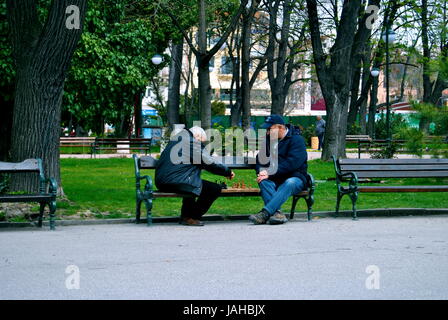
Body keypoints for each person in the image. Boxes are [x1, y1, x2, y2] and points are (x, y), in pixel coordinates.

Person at [155, 126, 235, 226]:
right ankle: (191, 217)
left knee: (194, 183)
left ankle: (186, 216)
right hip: (176, 180)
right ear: (197, 135)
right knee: (214, 188)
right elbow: (208, 162)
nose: (201, 144)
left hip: (162, 181)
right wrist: (227, 171)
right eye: (201, 141)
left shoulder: (177, 139)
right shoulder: (191, 142)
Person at [249, 115, 308, 225]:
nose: (267, 133)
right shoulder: (268, 140)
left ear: (280, 128)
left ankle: (265, 213)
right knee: (263, 181)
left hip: (295, 177)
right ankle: (277, 214)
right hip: (275, 178)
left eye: (269, 129)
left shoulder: (297, 140)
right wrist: (262, 172)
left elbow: (292, 163)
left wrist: (269, 172)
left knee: (289, 183)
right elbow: (260, 159)